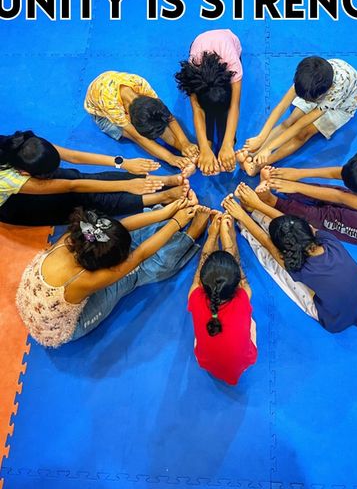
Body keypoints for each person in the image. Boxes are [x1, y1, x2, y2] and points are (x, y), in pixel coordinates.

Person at [16, 200, 211, 347]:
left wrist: (165, 213)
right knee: (131, 274)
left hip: (37, 305)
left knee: (117, 237)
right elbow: (139, 256)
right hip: (62, 328)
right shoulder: (84, 280)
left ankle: (163, 224)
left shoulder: (76, 237)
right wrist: (175, 222)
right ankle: (188, 237)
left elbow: (121, 226)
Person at [222, 184, 357, 333]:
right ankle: (254, 213)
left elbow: (267, 243)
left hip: (335, 318)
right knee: (289, 229)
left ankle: (245, 227)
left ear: (287, 252)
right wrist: (257, 205)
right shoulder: (328, 240)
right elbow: (296, 225)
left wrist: (242, 217)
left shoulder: (302, 268)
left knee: (275, 264)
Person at [0, 131, 195, 225]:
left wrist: (123, 162)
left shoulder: (21, 144)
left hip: (23, 175)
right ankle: (163, 196)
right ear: (23, 172)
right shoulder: (10, 179)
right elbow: (72, 186)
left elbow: (73, 156)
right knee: (84, 204)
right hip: (14, 207)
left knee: (79, 176)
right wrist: (127, 184)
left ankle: (166, 181)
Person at [237, 56, 357, 176]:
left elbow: (300, 125)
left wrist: (270, 149)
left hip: (342, 104)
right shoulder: (308, 78)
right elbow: (282, 105)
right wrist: (261, 137)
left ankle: (258, 165)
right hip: (319, 92)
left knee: (303, 134)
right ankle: (254, 154)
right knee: (289, 122)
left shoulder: (334, 92)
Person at [188, 213, 257, 385]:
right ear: (235, 284)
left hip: (204, 362)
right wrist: (228, 237)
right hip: (242, 365)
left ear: (203, 283)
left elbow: (198, 275)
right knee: (252, 323)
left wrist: (212, 235)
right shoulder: (243, 297)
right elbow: (240, 276)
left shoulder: (195, 297)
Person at [84, 70, 199, 169]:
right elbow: (139, 137)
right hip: (102, 115)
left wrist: (185, 143)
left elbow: (168, 117)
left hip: (110, 88)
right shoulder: (112, 108)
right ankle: (188, 154)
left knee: (159, 126)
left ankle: (189, 153)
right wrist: (171, 158)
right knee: (134, 136)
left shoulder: (141, 84)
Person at [175, 29, 243, 175]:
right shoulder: (193, 69)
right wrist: (204, 148)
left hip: (229, 40)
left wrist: (228, 144)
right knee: (208, 106)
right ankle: (209, 143)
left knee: (223, 107)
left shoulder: (233, 66)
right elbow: (197, 110)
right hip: (199, 42)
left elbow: (234, 106)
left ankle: (226, 145)